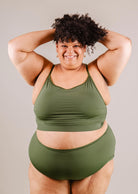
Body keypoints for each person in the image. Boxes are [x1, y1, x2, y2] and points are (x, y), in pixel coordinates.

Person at [8, 13, 132, 194]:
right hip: (46, 168)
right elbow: (15, 47)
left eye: (76, 45)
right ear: (56, 48)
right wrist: (59, 31)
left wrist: (87, 30)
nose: (70, 51)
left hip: (94, 163)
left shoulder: (97, 71)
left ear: (84, 47)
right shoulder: (42, 71)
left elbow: (123, 45)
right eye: (64, 45)